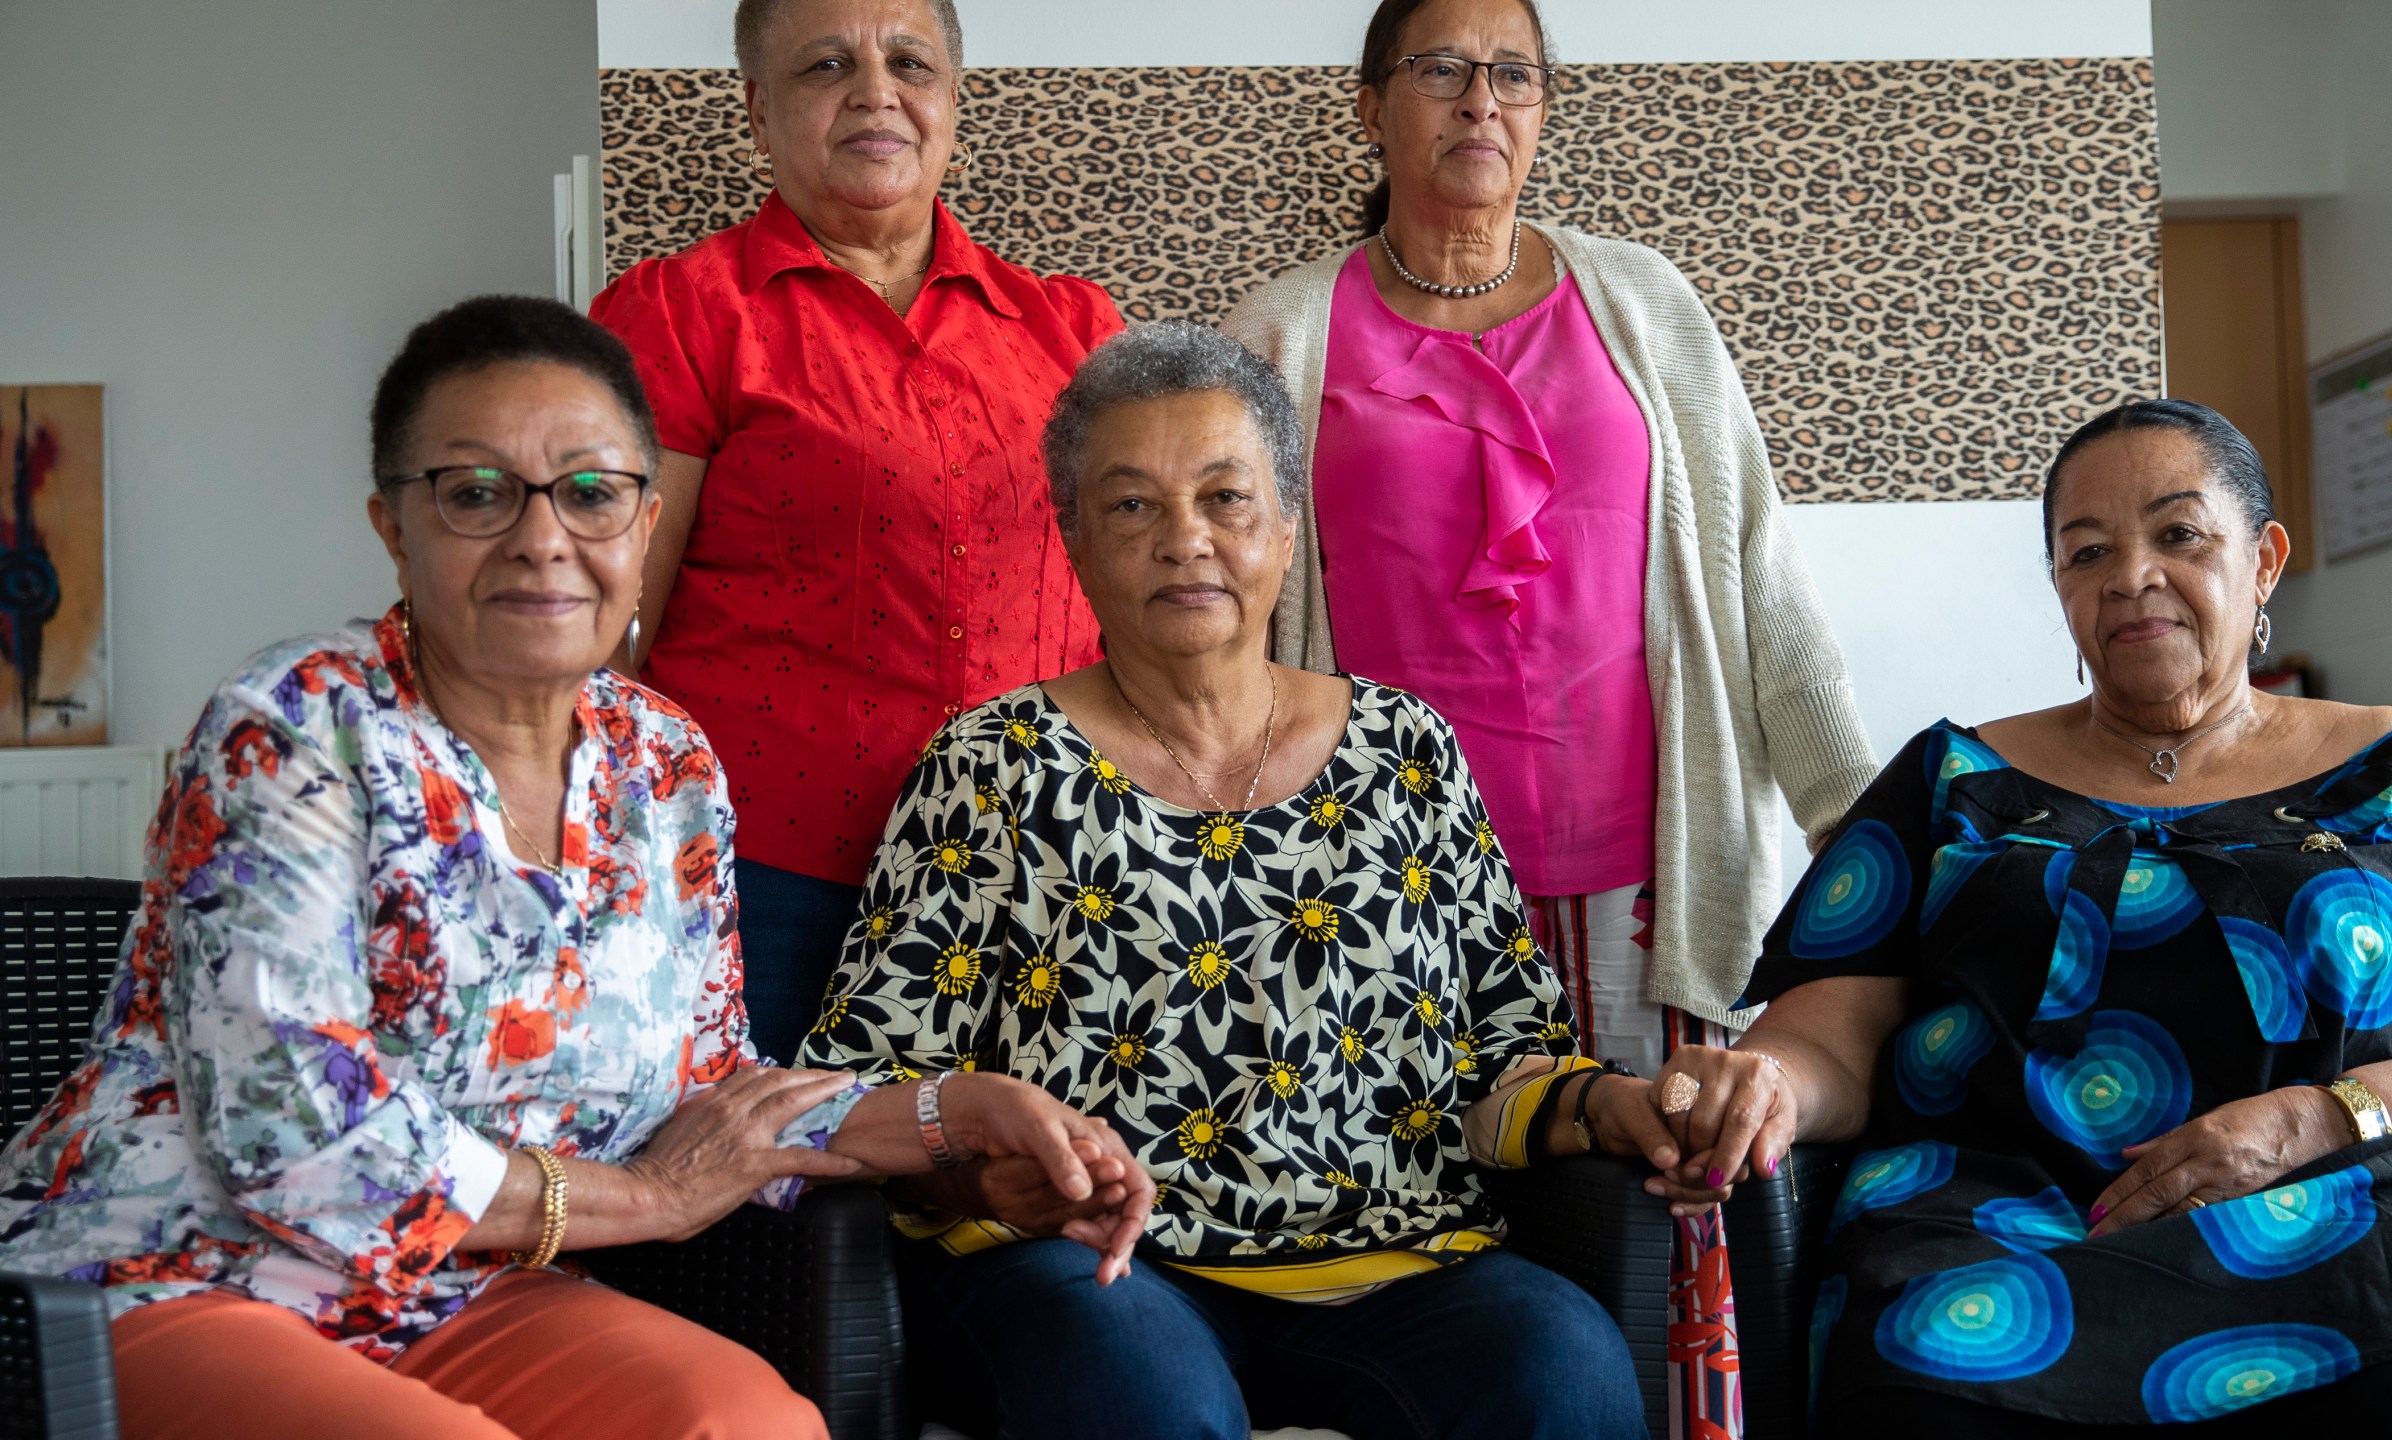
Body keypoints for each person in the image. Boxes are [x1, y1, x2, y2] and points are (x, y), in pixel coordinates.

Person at [0, 297, 1148, 1440]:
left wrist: (960, 1125)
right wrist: (642, 1200)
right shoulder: (295, 728)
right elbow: (295, 1139)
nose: (541, 539)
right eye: (475, 492)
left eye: (590, 494)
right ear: (392, 527)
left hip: (457, 1294)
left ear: (647, 525)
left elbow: (714, 1095)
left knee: (752, 1425)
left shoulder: (665, 764)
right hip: (180, 1276)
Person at [800, 323, 1690, 1439]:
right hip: (1094, 1273)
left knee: (1561, 1361)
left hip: (1394, 1267)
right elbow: (851, 1092)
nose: (1186, 540)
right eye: (1130, 505)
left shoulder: (1405, 750)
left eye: (1224, 497)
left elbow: (1508, 1058)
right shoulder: (989, 766)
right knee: (1148, 1395)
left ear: (1283, 525)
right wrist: (975, 1180)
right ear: (1072, 539)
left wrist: (1620, 1105)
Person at [1219, 0, 1876, 1425]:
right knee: (1420, 1263)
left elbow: (1761, 581)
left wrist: (1883, 847)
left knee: (1656, 1239)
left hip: (1644, 887)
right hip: (1375, 895)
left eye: (1511, 73)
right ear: (1369, 106)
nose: (1479, 102)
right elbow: (1222, 620)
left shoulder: (1641, 304)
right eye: (1440, 70)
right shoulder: (1279, 328)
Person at [1663, 399, 2392, 1436]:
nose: (2131, 575)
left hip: (2351, 1210)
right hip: (2000, 1226)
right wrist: (1763, 1086)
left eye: (2179, 535)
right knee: (1925, 1395)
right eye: (2086, 553)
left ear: (2262, 559)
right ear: (2059, 587)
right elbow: (1828, 1034)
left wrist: (2318, 1117)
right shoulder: (1951, 778)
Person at [590, 0, 1123, 1057]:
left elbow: (1138, 599)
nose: (875, 91)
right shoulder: (682, 314)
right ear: (758, 110)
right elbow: (609, 622)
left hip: (1049, 863)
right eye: (827, 65)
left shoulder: (1070, 327)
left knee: (1034, 1193)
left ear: (952, 100)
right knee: (789, 1200)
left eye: (909, 62)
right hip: (773, 875)